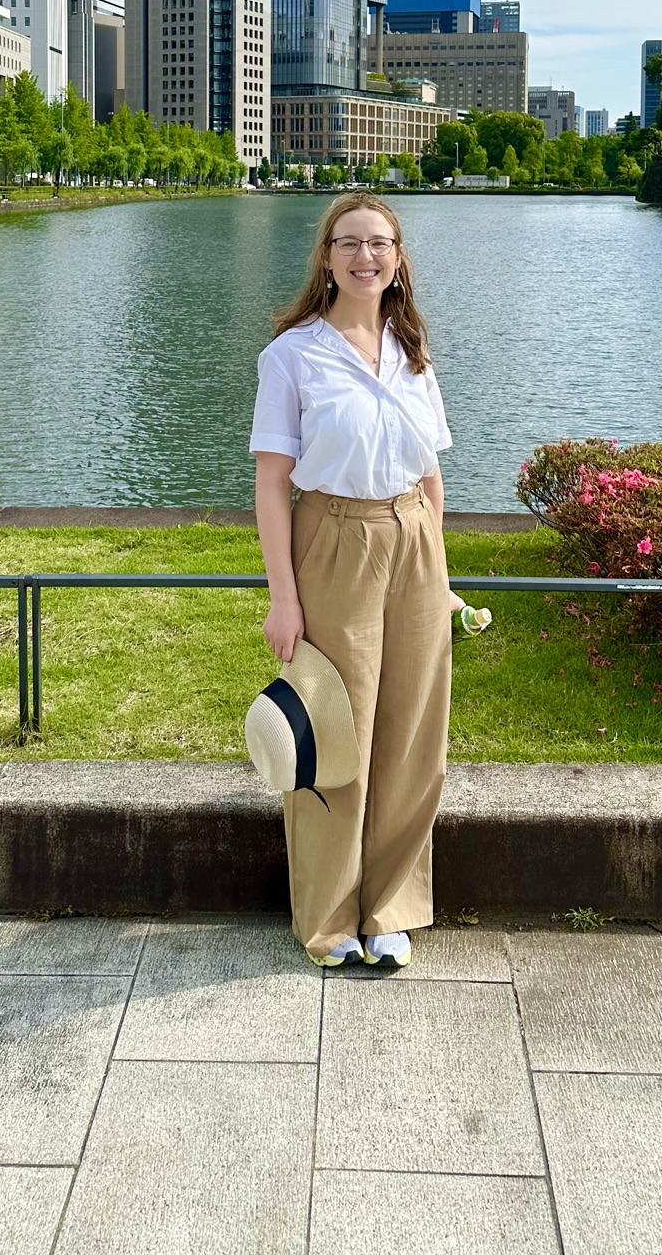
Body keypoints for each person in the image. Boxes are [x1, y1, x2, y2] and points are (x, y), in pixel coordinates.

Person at [250, 193, 456, 969]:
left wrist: (441, 573)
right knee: (336, 732)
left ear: (398, 260)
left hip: (413, 540)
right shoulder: (293, 355)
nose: (364, 256)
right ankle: (329, 916)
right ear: (327, 259)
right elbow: (272, 483)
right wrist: (284, 597)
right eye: (349, 244)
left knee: (412, 734)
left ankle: (391, 908)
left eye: (379, 244)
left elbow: (430, 472)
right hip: (333, 538)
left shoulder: (413, 352)